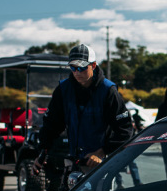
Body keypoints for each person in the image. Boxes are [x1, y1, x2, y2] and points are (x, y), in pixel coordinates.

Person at [37, 43, 135, 172]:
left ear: (93, 65)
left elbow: (125, 130)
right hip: (71, 161)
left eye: (81, 67)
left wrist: (102, 152)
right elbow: (51, 125)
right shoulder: (63, 90)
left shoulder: (108, 91)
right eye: (73, 67)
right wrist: (42, 152)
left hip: (100, 164)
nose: (77, 72)